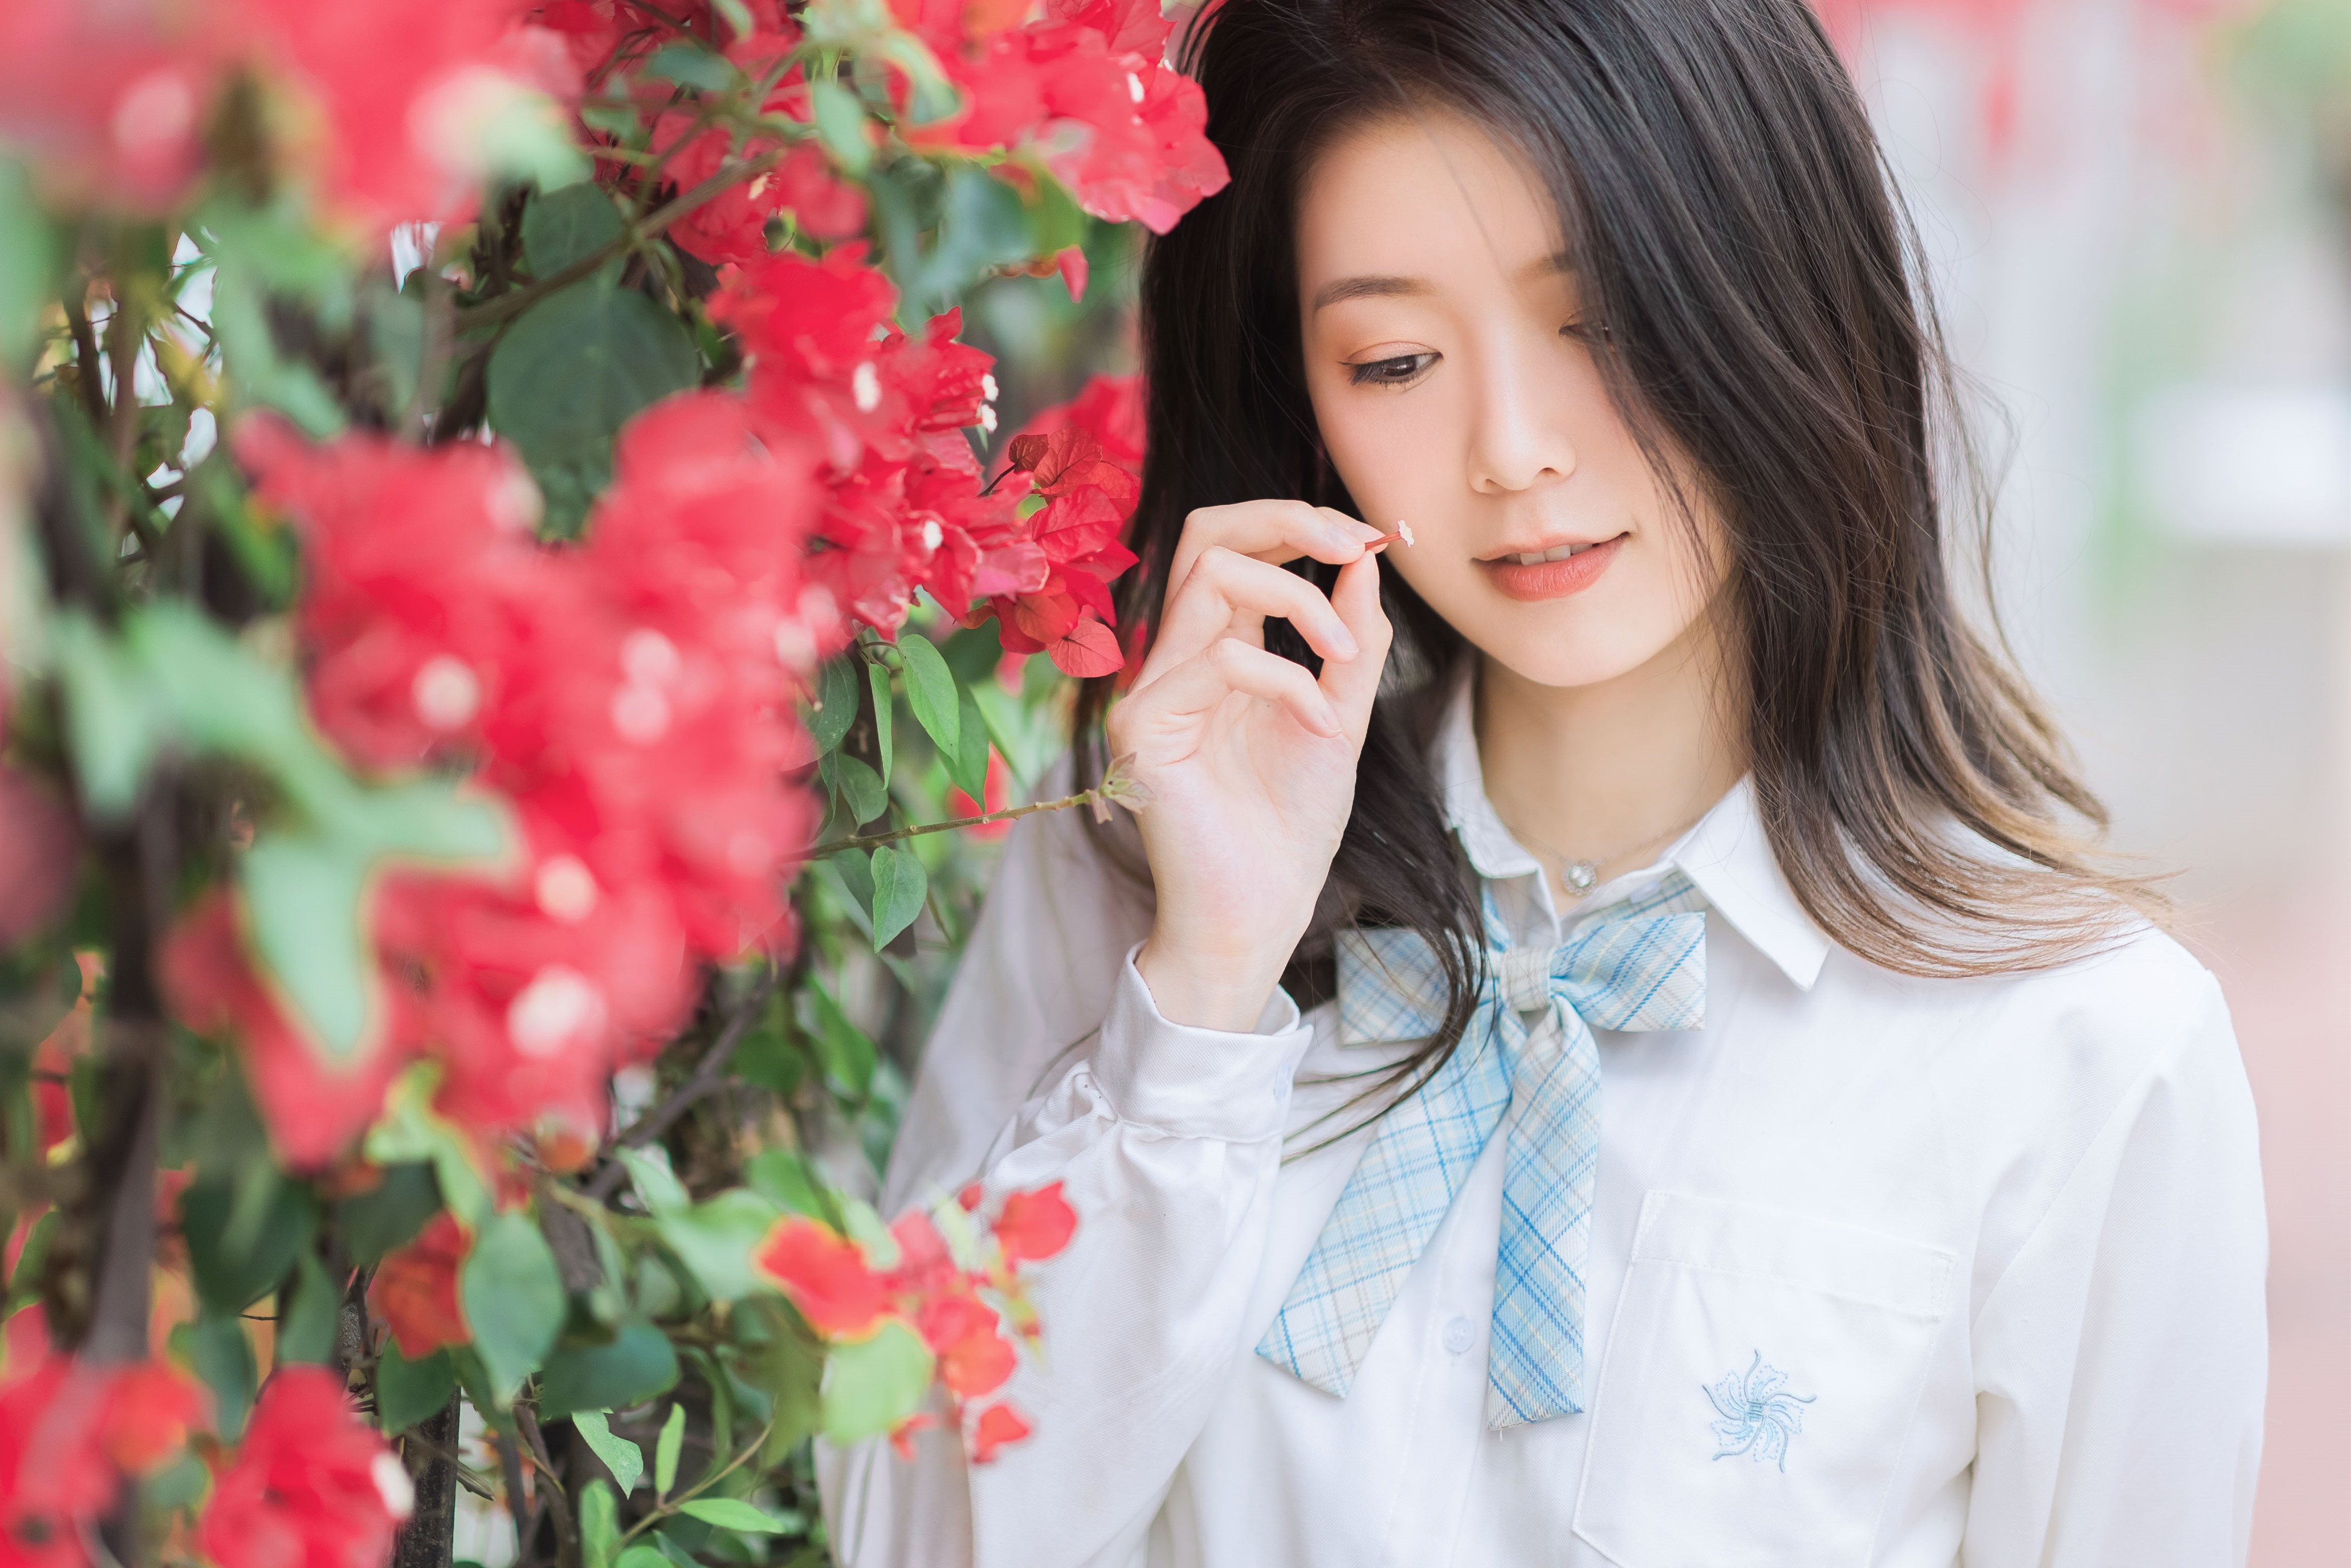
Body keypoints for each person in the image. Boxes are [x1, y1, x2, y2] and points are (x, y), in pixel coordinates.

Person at [821, 0, 2270, 1562]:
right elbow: (907, 1534)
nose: (1511, 449)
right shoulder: (1145, 873)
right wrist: (1204, 1006)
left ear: (1775, 288)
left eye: (1602, 322)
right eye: (1394, 360)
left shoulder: (2079, 1056)